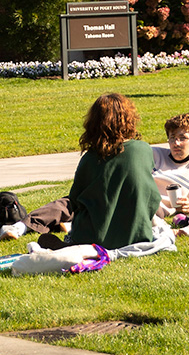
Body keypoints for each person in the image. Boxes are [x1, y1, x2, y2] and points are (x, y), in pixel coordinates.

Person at [49, 93, 161, 251]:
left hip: (91, 238)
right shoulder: (143, 150)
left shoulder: (90, 159)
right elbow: (151, 196)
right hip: (137, 235)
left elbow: (74, 200)